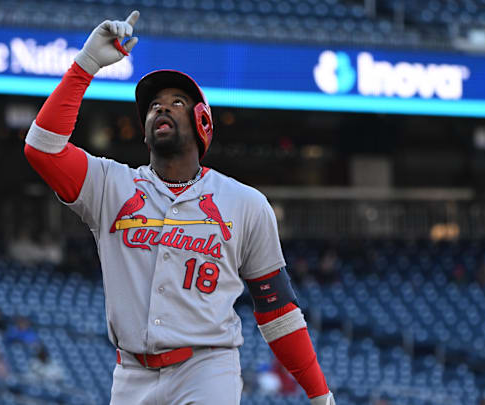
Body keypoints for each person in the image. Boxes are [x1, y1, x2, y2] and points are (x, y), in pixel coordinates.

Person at [23, 10, 334, 404]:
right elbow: (42, 150)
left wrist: (319, 393)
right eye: (153, 105)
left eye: (176, 102)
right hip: (131, 374)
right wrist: (86, 66)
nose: (161, 108)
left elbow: (277, 309)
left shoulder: (245, 204)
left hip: (206, 370)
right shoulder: (110, 186)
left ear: (202, 121)